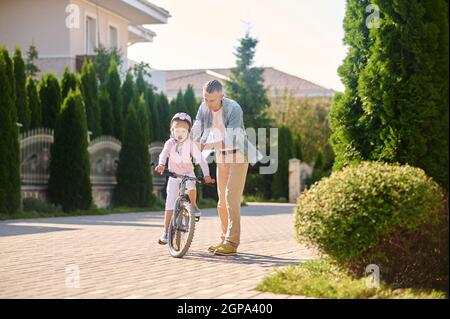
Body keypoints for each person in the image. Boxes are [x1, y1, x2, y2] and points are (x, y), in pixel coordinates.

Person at [191, 80, 263, 255]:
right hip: (221, 156)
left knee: (231, 197)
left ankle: (232, 242)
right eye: (206, 99)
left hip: (238, 154)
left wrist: (205, 146)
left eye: (213, 101)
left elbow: (231, 138)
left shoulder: (234, 109)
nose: (209, 104)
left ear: (222, 97)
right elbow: (195, 130)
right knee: (221, 201)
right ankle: (224, 239)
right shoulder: (203, 108)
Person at [155, 112, 215, 245]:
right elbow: (163, 155)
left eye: (183, 130)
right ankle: (165, 232)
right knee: (170, 203)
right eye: (177, 130)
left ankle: (192, 207)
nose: (180, 133)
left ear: (188, 132)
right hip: (173, 175)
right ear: (172, 130)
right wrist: (161, 165)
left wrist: (206, 175)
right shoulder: (169, 143)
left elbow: (201, 160)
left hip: (188, 173)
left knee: (191, 186)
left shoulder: (191, 144)